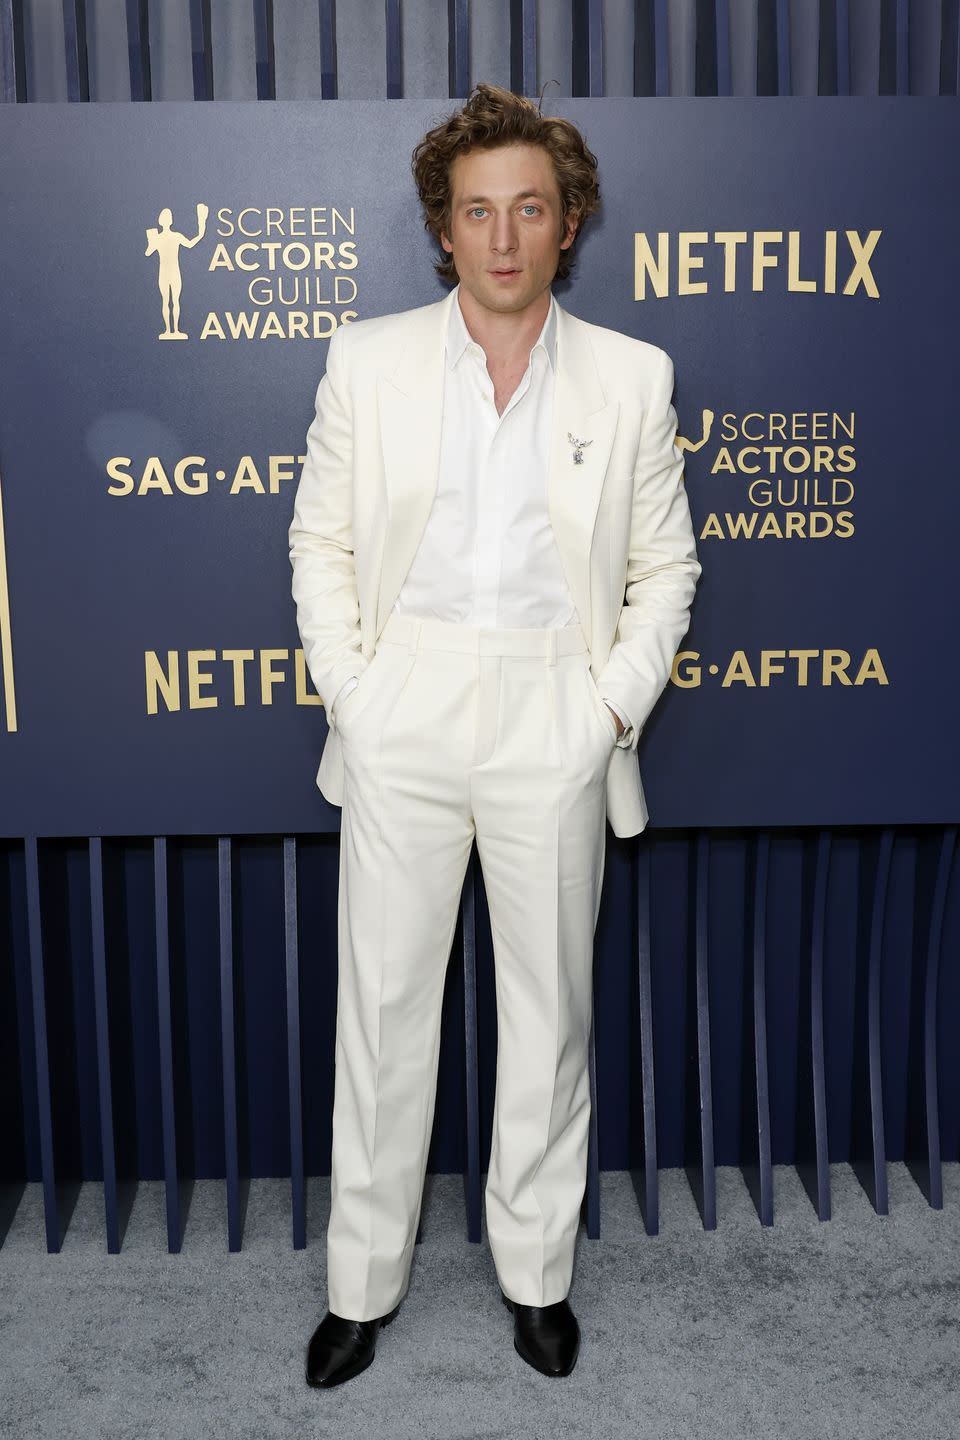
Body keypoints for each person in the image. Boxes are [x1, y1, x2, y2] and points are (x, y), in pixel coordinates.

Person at [288, 81, 701, 1386]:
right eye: (480, 212)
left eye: (530, 207)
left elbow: (667, 569)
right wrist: (360, 694)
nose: (506, 235)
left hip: (552, 711)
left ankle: (536, 1277)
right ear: (444, 227)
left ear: (567, 222)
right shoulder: (368, 360)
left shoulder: (634, 377)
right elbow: (321, 544)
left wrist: (606, 711)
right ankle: (361, 1287)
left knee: (550, 1011)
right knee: (385, 1009)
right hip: (403, 702)